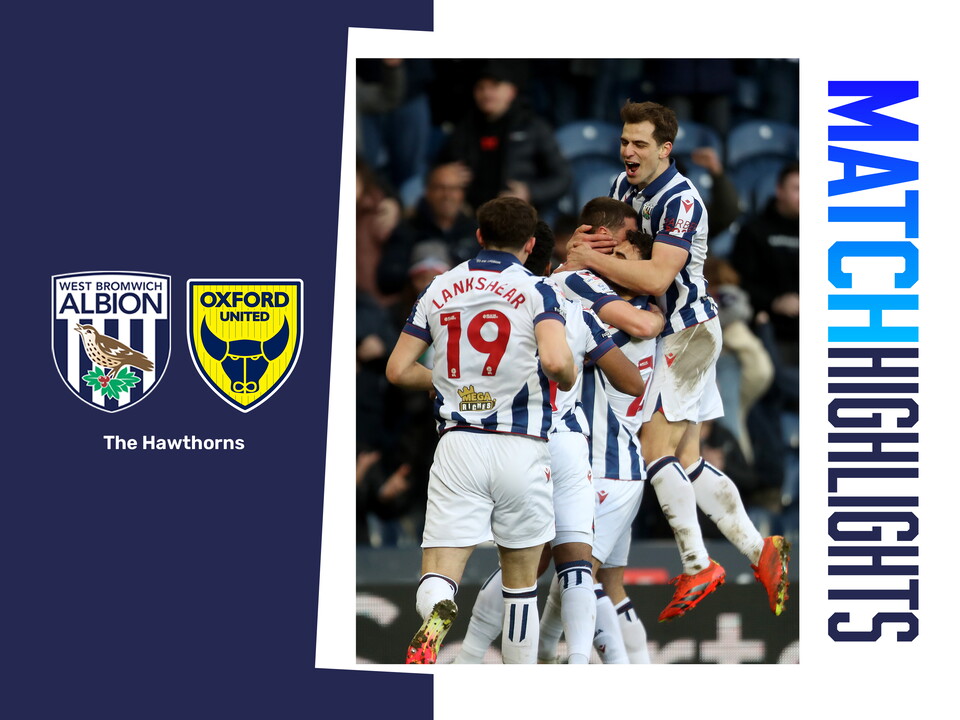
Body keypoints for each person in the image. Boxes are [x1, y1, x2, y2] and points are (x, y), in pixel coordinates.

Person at [564, 101, 790, 618]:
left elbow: (658, 279)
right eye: (624, 141)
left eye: (640, 144)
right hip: (667, 334)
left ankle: (696, 564)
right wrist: (592, 250)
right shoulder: (624, 189)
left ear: (666, 148)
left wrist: (587, 260)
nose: (628, 151)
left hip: (684, 331)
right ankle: (761, 551)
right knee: (686, 461)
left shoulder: (682, 200)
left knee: (652, 453)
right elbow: (621, 256)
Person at [385, 196, 577, 664]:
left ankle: (440, 608)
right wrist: (568, 376)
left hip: (458, 446)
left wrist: (451, 380)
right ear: (530, 244)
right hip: (521, 447)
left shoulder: (438, 288)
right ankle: (519, 696)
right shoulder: (538, 290)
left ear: (478, 236)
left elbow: (396, 369)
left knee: (439, 572)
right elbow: (554, 361)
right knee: (520, 586)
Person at [453, 220, 645, 665]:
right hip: (567, 443)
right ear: (541, 252)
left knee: (520, 568)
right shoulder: (573, 309)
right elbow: (632, 382)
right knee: (577, 563)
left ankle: (469, 659)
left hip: (510, 442)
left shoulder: (490, 310)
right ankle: (576, 663)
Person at [433, 60, 572, 218]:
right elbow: (439, 166)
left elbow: (563, 177)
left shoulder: (534, 127)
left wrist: (529, 192)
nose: (486, 93)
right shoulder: (464, 128)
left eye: (494, 86)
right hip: (471, 218)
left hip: (521, 218)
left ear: (511, 91)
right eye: (481, 87)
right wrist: (443, 174)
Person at [376, 163, 479, 297]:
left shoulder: (475, 231)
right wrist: (419, 273)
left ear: (462, 194)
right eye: (440, 188)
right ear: (427, 192)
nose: (447, 195)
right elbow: (388, 279)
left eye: (453, 189)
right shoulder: (408, 228)